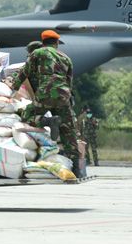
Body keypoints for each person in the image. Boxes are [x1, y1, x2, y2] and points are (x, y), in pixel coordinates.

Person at [11, 30, 82, 177]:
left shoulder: (37, 53)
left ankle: (46, 120)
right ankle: (76, 168)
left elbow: (24, 72)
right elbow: (69, 82)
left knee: (26, 117)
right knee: (69, 133)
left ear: (43, 42)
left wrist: (13, 89)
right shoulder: (66, 58)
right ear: (56, 43)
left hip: (45, 95)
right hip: (63, 97)